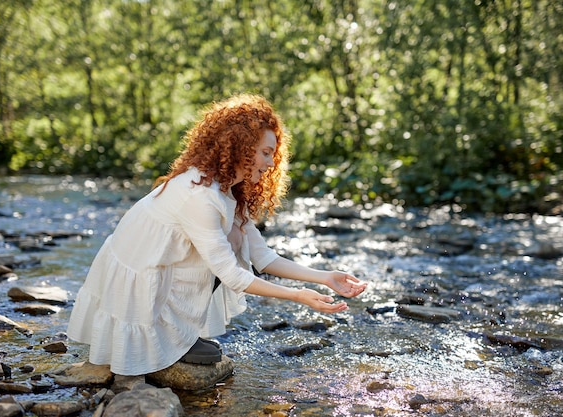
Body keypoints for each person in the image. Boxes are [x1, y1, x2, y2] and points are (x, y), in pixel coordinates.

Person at [66, 94, 367, 376]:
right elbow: (232, 275)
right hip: (141, 283)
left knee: (236, 242)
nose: (271, 163)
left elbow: (261, 256)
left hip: (165, 273)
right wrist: (298, 296)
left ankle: (179, 337)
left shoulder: (229, 189)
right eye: (264, 153)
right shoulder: (200, 194)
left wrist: (324, 277)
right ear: (239, 147)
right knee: (225, 257)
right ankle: (161, 337)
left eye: (272, 154)